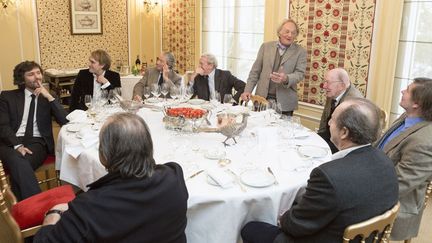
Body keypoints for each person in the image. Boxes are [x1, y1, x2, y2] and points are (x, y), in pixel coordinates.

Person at [241, 98, 398, 243]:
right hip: (365, 236)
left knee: (250, 228)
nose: (329, 123)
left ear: (344, 132)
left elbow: (296, 225)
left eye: (333, 119)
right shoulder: (385, 162)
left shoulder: (329, 176)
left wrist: (282, 218)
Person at [33, 113, 189, 243]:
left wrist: (53, 215)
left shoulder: (89, 207)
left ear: (104, 156)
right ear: (148, 147)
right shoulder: (174, 176)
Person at [0, 61, 68, 200]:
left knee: (18, 164)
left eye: (38, 73)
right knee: (18, 160)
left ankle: (25, 208)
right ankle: (37, 205)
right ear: (22, 78)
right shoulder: (7, 96)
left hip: (37, 143)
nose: (36, 77)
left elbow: (65, 122)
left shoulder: (48, 97)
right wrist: (17, 145)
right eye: (31, 74)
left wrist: (49, 97)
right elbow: (3, 125)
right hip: (9, 142)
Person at [374, 77, 432, 241]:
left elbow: (399, 185)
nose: (402, 91)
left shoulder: (425, 142)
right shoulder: (407, 115)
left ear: (417, 103)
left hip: (395, 205)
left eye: (407, 90)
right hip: (378, 177)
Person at [240, 19, 307, 116]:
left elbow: (300, 74)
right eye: (287, 31)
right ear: (279, 32)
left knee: (282, 131)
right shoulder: (265, 47)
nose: (290, 35)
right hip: (261, 99)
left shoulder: (300, 51)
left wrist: (286, 78)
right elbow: (255, 72)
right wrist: (247, 91)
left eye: (293, 33)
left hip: (285, 103)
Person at [317, 68, 362, 154]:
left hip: (343, 145)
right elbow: (324, 120)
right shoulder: (333, 92)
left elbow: (349, 139)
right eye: (325, 81)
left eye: (328, 82)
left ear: (341, 86)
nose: (324, 86)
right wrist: (319, 139)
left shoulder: (352, 102)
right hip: (330, 136)